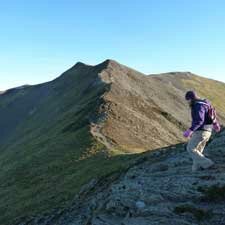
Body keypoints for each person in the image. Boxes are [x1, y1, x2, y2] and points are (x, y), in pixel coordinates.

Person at [183, 91, 221, 172]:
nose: (188, 102)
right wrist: (216, 125)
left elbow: (200, 120)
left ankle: (209, 164)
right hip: (208, 131)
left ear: (191, 99)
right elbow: (212, 116)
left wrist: (190, 130)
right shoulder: (206, 104)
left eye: (188, 100)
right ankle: (196, 170)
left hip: (201, 131)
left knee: (190, 149)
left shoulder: (198, 106)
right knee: (198, 151)